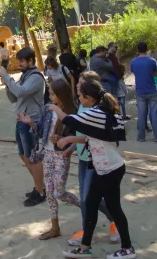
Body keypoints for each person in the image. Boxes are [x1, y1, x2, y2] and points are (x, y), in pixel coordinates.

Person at [51, 81, 135, 259]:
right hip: (110, 167)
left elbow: (67, 119)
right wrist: (69, 140)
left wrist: (52, 107)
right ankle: (122, 248)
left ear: (89, 98)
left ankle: (87, 248)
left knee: (92, 204)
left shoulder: (96, 113)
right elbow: (92, 137)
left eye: (80, 96)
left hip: (108, 169)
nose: (79, 100)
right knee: (110, 207)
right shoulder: (103, 113)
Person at [17, 79, 80, 240]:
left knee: (59, 192)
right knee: (50, 194)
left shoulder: (72, 113)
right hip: (48, 154)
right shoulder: (47, 110)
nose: (50, 97)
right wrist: (30, 123)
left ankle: (83, 205)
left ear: (61, 95)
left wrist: (63, 142)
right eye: (50, 93)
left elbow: (76, 137)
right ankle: (55, 228)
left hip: (61, 156)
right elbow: (40, 131)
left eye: (53, 94)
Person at [67, 70, 119, 248]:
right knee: (85, 198)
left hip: (95, 159)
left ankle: (108, 224)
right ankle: (88, 229)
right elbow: (80, 130)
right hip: (83, 157)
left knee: (90, 197)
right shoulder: (82, 104)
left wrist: (69, 140)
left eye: (80, 83)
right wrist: (72, 148)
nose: (76, 86)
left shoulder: (96, 109)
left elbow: (89, 136)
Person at [0, 47, 46, 207]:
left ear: (31, 61)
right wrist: (7, 83)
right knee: (23, 155)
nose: (18, 63)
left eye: (22, 61)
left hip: (31, 121)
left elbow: (21, 92)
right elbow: (14, 97)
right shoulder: (25, 75)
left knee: (33, 157)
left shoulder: (36, 77)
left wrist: (6, 76)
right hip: (21, 120)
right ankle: (39, 186)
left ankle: (40, 191)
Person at [130, 42, 157, 142]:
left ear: (138, 49)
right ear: (146, 49)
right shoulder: (152, 60)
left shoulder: (133, 61)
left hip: (140, 91)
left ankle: (141, 137)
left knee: (141, 114)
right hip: (152, 89)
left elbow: (133, 72)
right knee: (154, 114)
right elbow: (156, 73)